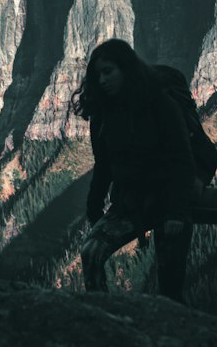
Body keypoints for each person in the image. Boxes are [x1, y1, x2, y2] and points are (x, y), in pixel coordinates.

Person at [74, 38, 201, 302]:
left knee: (170, 287)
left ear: (126, 69)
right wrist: (94, 209)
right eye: (98, 75)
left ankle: (173, 336)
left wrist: (176, 212)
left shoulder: (161, 105)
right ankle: (102, 317)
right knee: (90, 252)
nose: (102, 80)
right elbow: (103, 165)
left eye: (108, 71)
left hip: (168, 203)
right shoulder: (102, 114)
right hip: (130, 204)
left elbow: (182, 161)